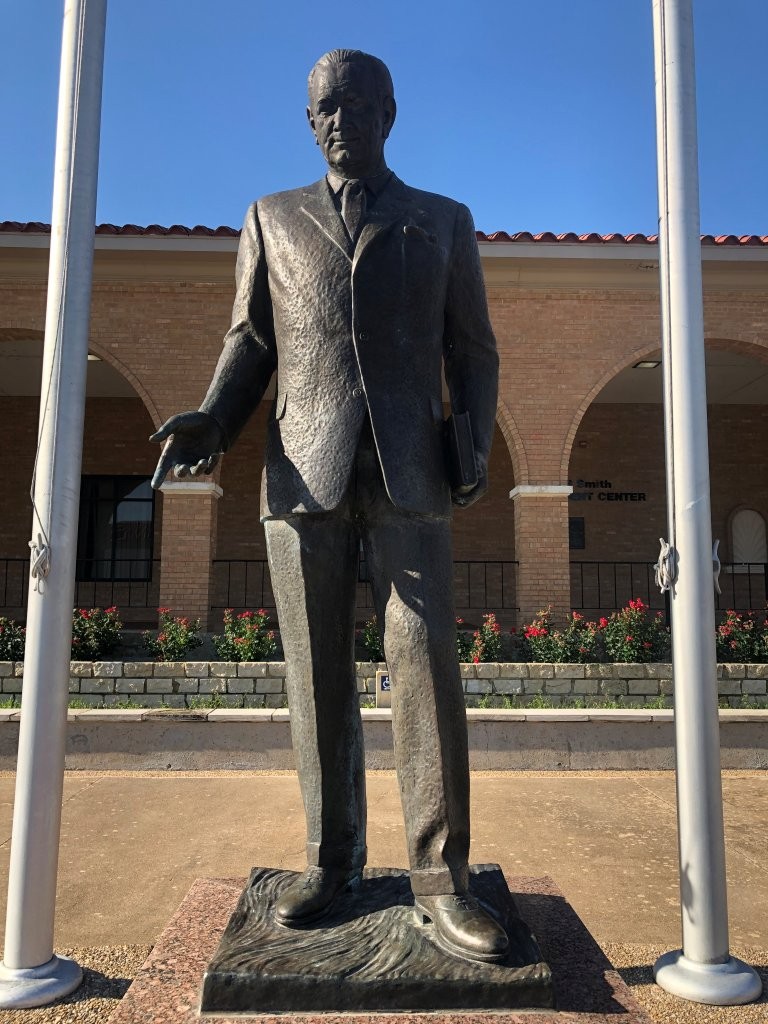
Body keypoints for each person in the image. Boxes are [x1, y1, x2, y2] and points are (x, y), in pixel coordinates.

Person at [150, 49, 504, 964]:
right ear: (309, 122)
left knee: (424, 667)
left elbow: (472, 347)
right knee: (315, 674)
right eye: (323, 107)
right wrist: (214, 418)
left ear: (389, 113)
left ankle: (442, 879)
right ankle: (331, 860)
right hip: (302, 473)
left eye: (355, 103)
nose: (339, 119)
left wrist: (470, 444)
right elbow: (251, 339)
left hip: (410, 471)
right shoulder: (270, 218)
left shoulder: (443, 220)